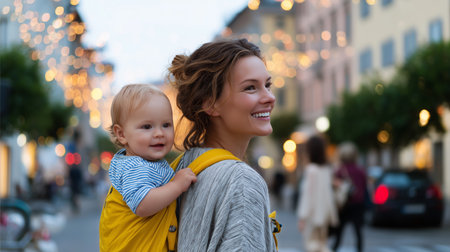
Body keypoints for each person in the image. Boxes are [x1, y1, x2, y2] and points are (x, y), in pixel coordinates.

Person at [167, 38, 277, 251]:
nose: (269, 97)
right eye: (251, 88)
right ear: (210, 103)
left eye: (268, 85)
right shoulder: (242, 181)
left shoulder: (185, 166)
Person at [99, 84, 197, 251]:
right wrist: (177, 185)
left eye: (166, 125)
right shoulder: (134, 167)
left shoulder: (139, 161)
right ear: (121, 134)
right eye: (147, 127)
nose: (159, 133)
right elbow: (142, 204)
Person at [296, 135, 338, 252]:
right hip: (324, 214)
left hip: (312, 214)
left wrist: (302, 217)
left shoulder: (311, 170)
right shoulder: (326, 169)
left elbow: (307, 196)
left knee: (311, 245)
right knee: (322, 244)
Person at [332, 142, 368, 252]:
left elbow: (335, 187)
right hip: (358, 204)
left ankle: (334, 249)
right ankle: (359, 249)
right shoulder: (360, 170)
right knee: (358, 232)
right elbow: (365, 187)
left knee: (339, 233)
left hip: (344, 205)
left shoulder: (339, 170)